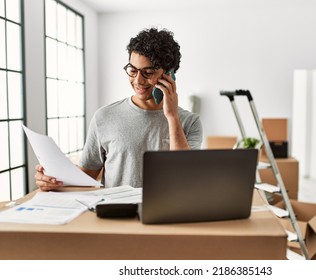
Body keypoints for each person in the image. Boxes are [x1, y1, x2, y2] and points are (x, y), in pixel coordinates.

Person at [35, 27, 203, 191]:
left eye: (148, 72)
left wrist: (172, 116)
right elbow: (87, 175)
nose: (138, 80)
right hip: (116, 215)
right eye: (133, 70)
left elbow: (185, 177)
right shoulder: (104, 117)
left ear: (169, 74)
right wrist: (52, 180)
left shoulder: (190, 122)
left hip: (167, 215)